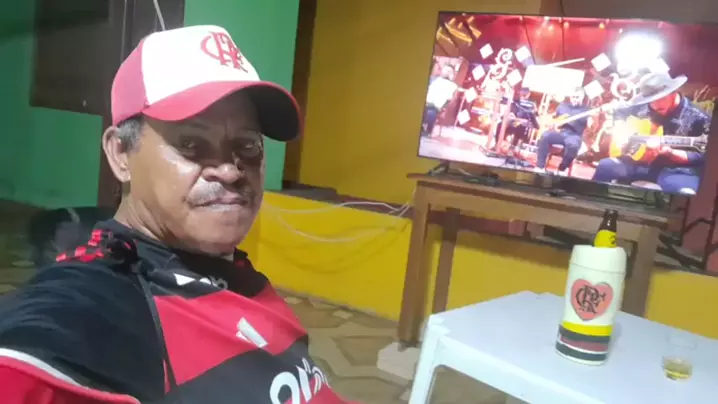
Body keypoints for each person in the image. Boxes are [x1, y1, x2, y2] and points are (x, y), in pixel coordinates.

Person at [0, 25, 350, 404]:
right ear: (121, 154)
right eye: (192, 143)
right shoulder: (110, 302)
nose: (230, 170)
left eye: (247, 145)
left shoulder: (230, 271)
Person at [591, 72, 711, 195]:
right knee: (606, 166)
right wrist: (621, 132)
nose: (654, 106)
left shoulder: (699, 118)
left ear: (673, 92)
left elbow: (704, 156)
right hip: (640, 161)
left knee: (684, 193)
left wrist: (670, 153)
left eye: (660, 98)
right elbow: (620, 111)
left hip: (677, 170)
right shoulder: (646, 105)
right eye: (650, 101)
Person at [535, 89, 591, 175]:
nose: (575, 99)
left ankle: (562, 169)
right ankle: (540, 167)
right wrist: (552, 124)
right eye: (573, 97)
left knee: (573, 146)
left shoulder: (587, 110)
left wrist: (592, 120)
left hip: (574, 135)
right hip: (561, 132)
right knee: (545, 136)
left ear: (582, 98)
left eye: (577, 97)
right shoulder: (563, 106)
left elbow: (590, 126)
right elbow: (554, 118)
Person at [493, 87, 540, 153]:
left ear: (528, 94)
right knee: (500, 124)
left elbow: (535, 118)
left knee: (520, 127)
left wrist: (526, 120)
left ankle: (512, 149)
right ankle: (497, 144)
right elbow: (509, 111)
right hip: (513, 122)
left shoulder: (531, 104)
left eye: (524, 94)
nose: (522, 96)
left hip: (523, 124)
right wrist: (510, 116)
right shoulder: (516, 102)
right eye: (521, 94)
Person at [422, 64, 459, 137]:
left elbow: (452, 99)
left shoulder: (453, 86)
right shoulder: (434, 79)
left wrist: (444, 107)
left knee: (431, 112)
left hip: (437, 106)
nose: (446, 72)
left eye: (448, 71)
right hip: (428, 102)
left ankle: (428, 131)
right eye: (445, 70)